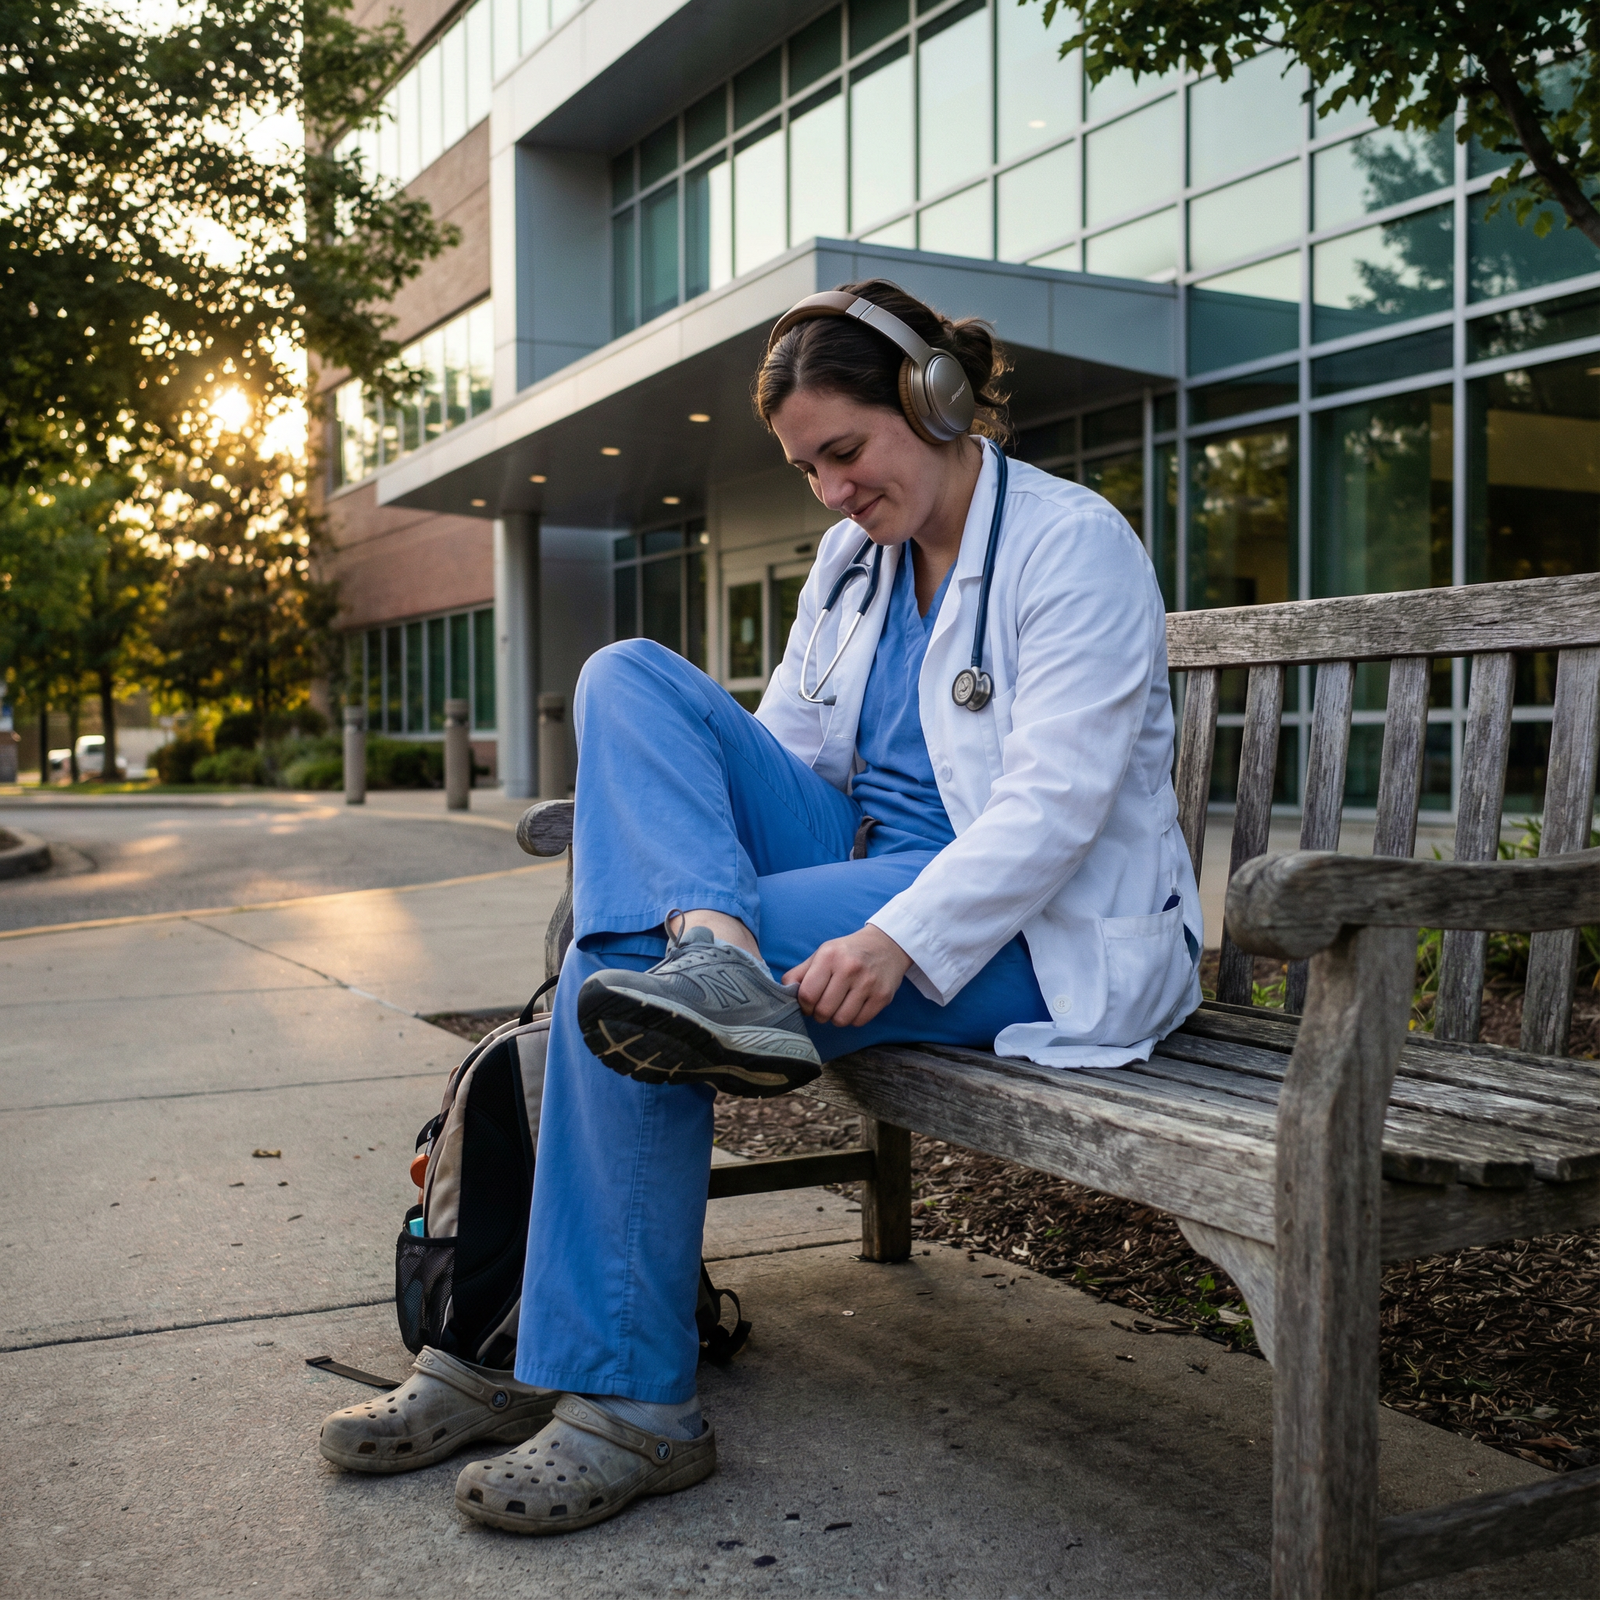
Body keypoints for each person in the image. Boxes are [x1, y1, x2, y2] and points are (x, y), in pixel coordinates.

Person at [317, 279, 1201, 1534]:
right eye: (806, 470)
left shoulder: (1070, 542)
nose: (831, 493)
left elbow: (1054, 806)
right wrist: (705, 904)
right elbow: (775, 753)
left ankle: (597, 1388)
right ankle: (708, 973)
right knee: (625, 678)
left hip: (1024, 925)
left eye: (845, 452)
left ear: (933, 398)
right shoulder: (852, 564)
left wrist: (895, 937)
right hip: (854, 860)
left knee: (613, 982)